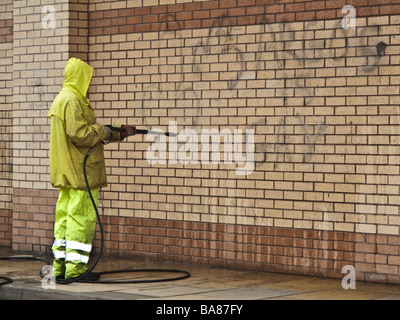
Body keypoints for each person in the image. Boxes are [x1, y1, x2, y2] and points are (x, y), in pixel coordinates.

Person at [48, 57, 135, 281]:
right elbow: (81, 134)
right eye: (88, 78)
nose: (90, 83)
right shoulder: (73, 100)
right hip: (81, 172)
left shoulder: (62, 99)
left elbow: (84, 132)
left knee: (65, 219)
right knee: (81, 219)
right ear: (80, 76)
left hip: (67, 172)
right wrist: (104, 131)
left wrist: (115, 132)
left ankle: (60, 268)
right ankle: (76, 270)